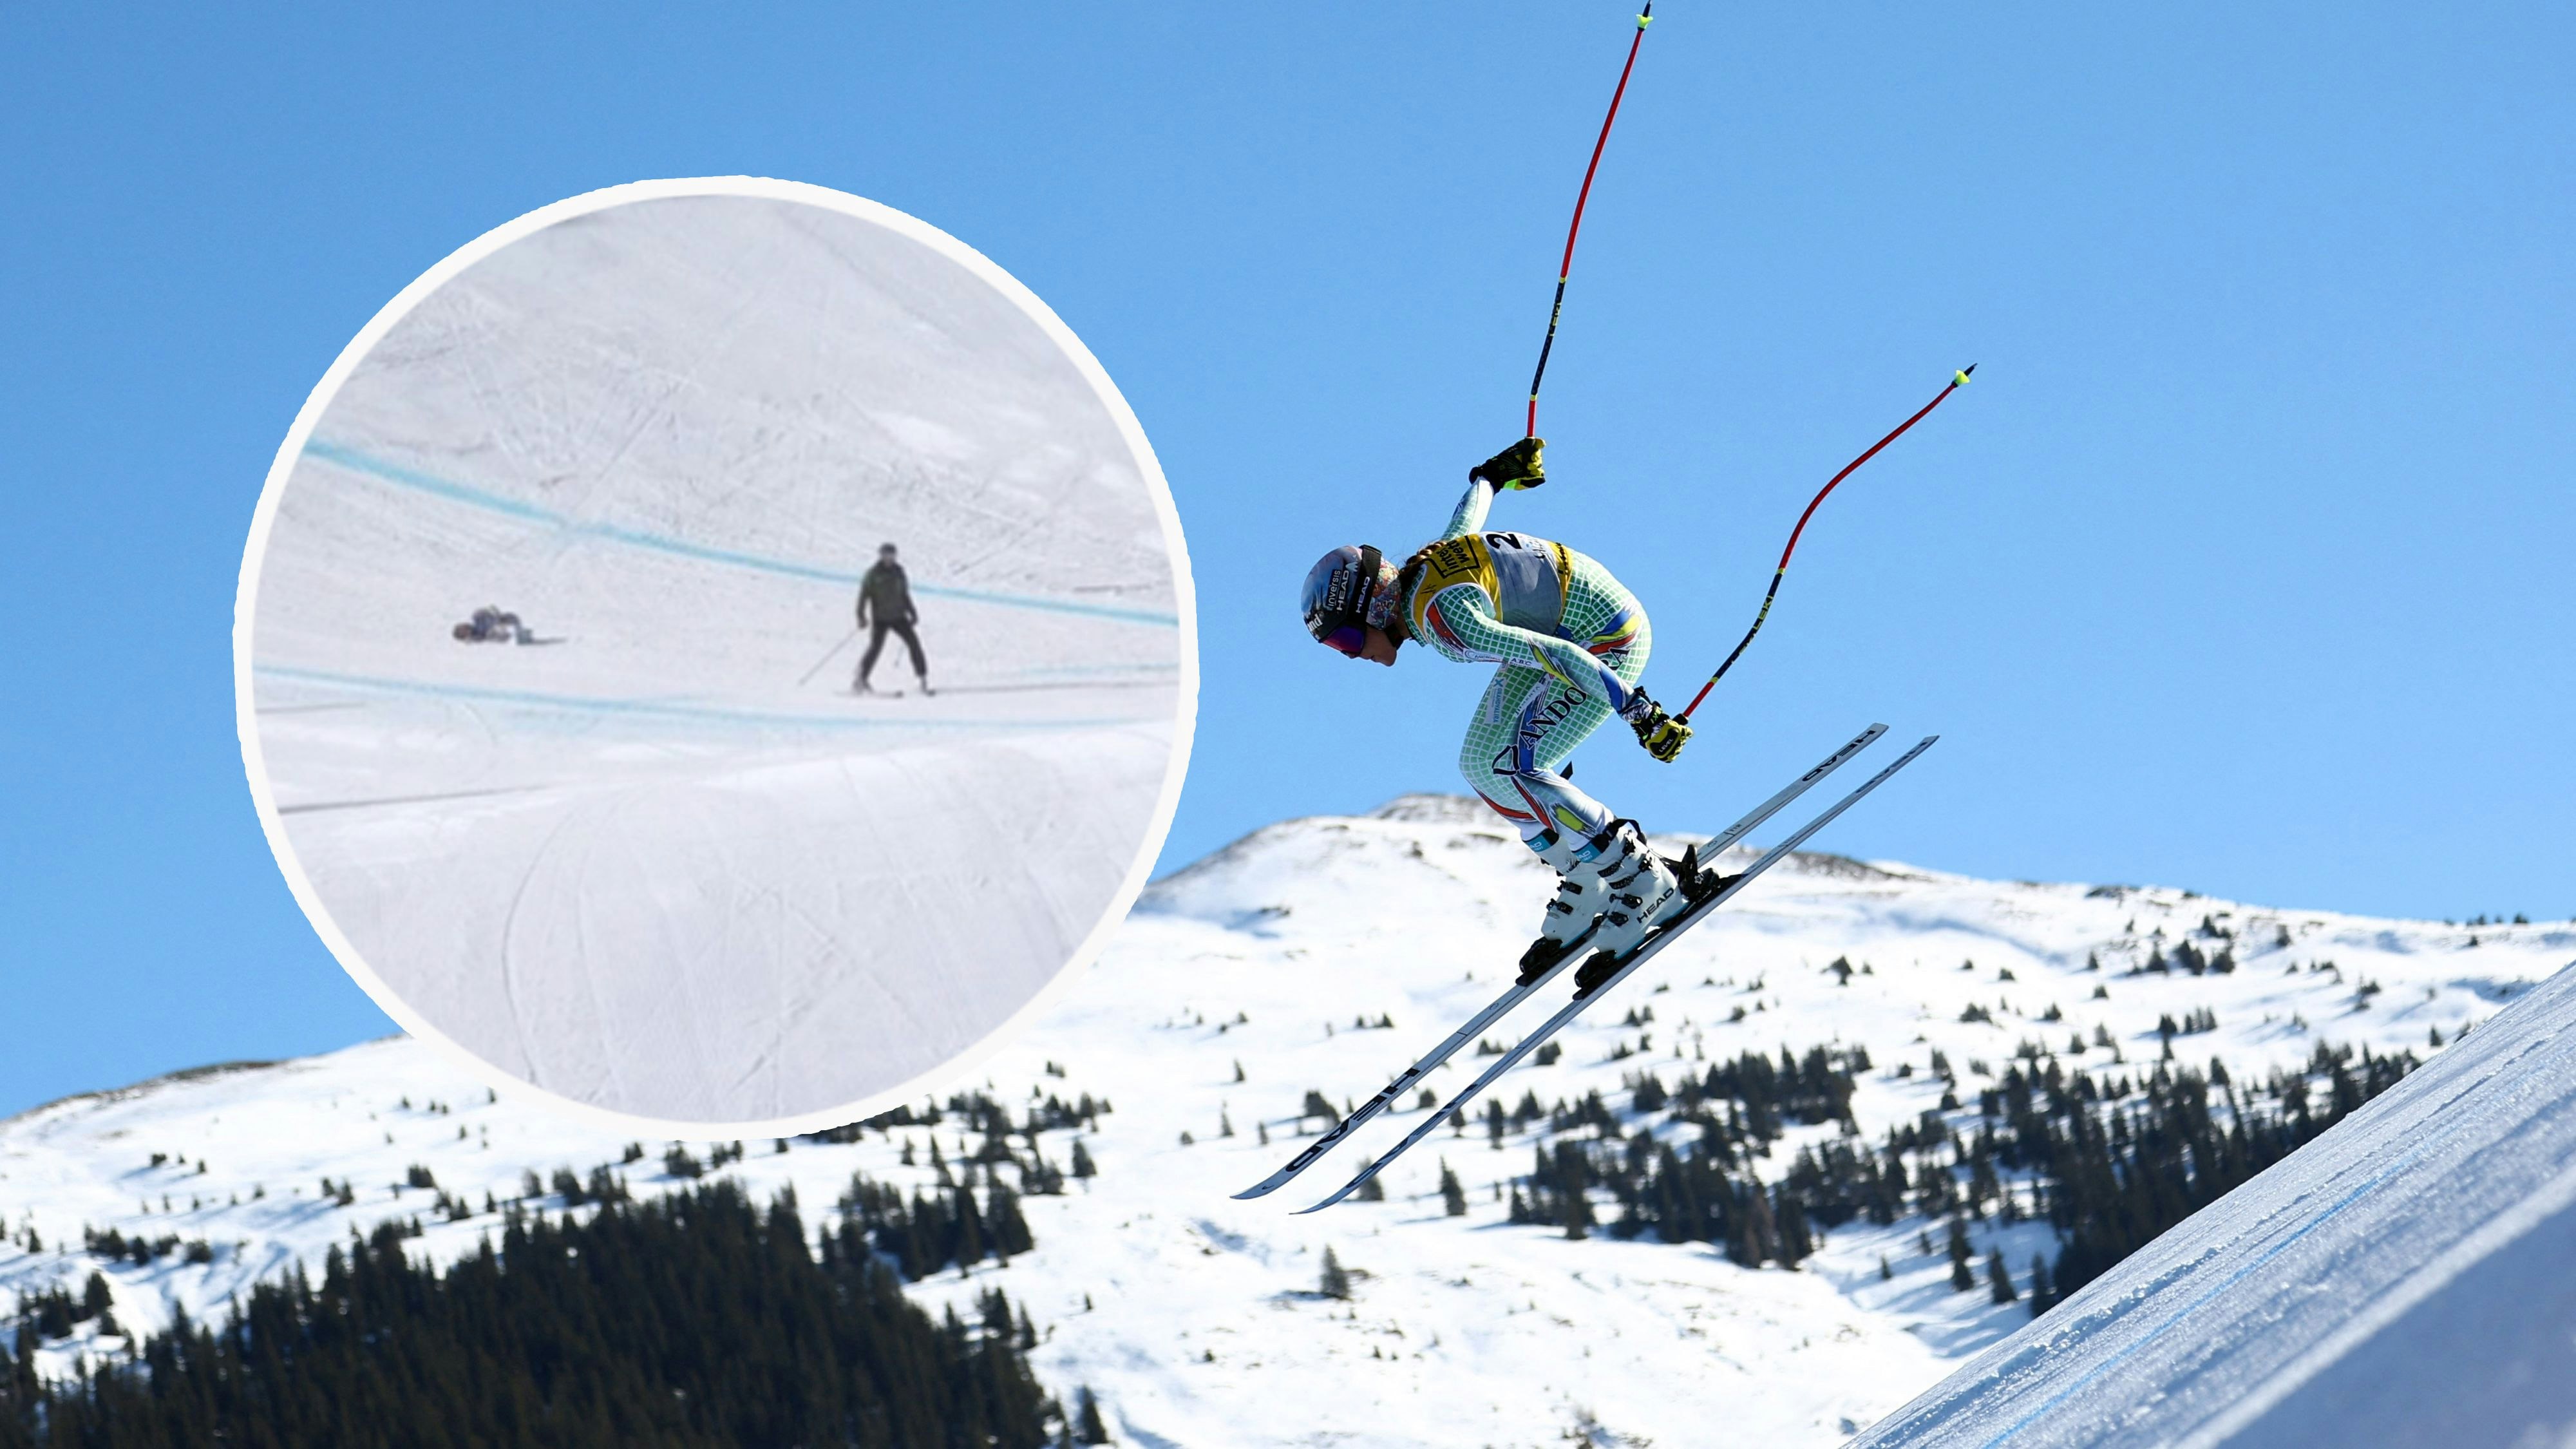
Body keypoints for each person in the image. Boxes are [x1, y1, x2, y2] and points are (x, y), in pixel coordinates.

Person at [1298, 438, 1714, 996]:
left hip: (1604, 641)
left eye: (1348, 638)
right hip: (1561, 633)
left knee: (1522, 763)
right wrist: (1493, 475)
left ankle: (1643, 880)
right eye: (1337, 648)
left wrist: (1640, 713)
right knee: (1480, 763)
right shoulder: (1422, 576)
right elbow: (1465, 520)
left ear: (1374, 605)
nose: (1353, 654)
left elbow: (1563, 658)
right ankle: (1586, 876)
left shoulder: (1449, 622)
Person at [854, 542, 931, 694]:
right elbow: (864, 596)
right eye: (887, 555)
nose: (890, 559)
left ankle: (922, 678)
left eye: (892, 556)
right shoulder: (873, 574)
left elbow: (904, 594)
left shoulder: (899, 572)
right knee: (875, 648)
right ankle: (861, 679)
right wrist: (861, 616)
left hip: (898, 617)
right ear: (881, 556)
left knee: (914, 643)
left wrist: (912, 612)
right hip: (881, 618)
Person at [451, 606, 533, 644]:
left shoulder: (477, 619)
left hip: (505, 623)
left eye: (463, 628)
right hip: (501, 631)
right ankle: (521, 636)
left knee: (508, 622)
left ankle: (522, 635)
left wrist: (495, 616)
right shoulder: (477, 636)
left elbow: (491, 611)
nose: (466, 630)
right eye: (463, 633)